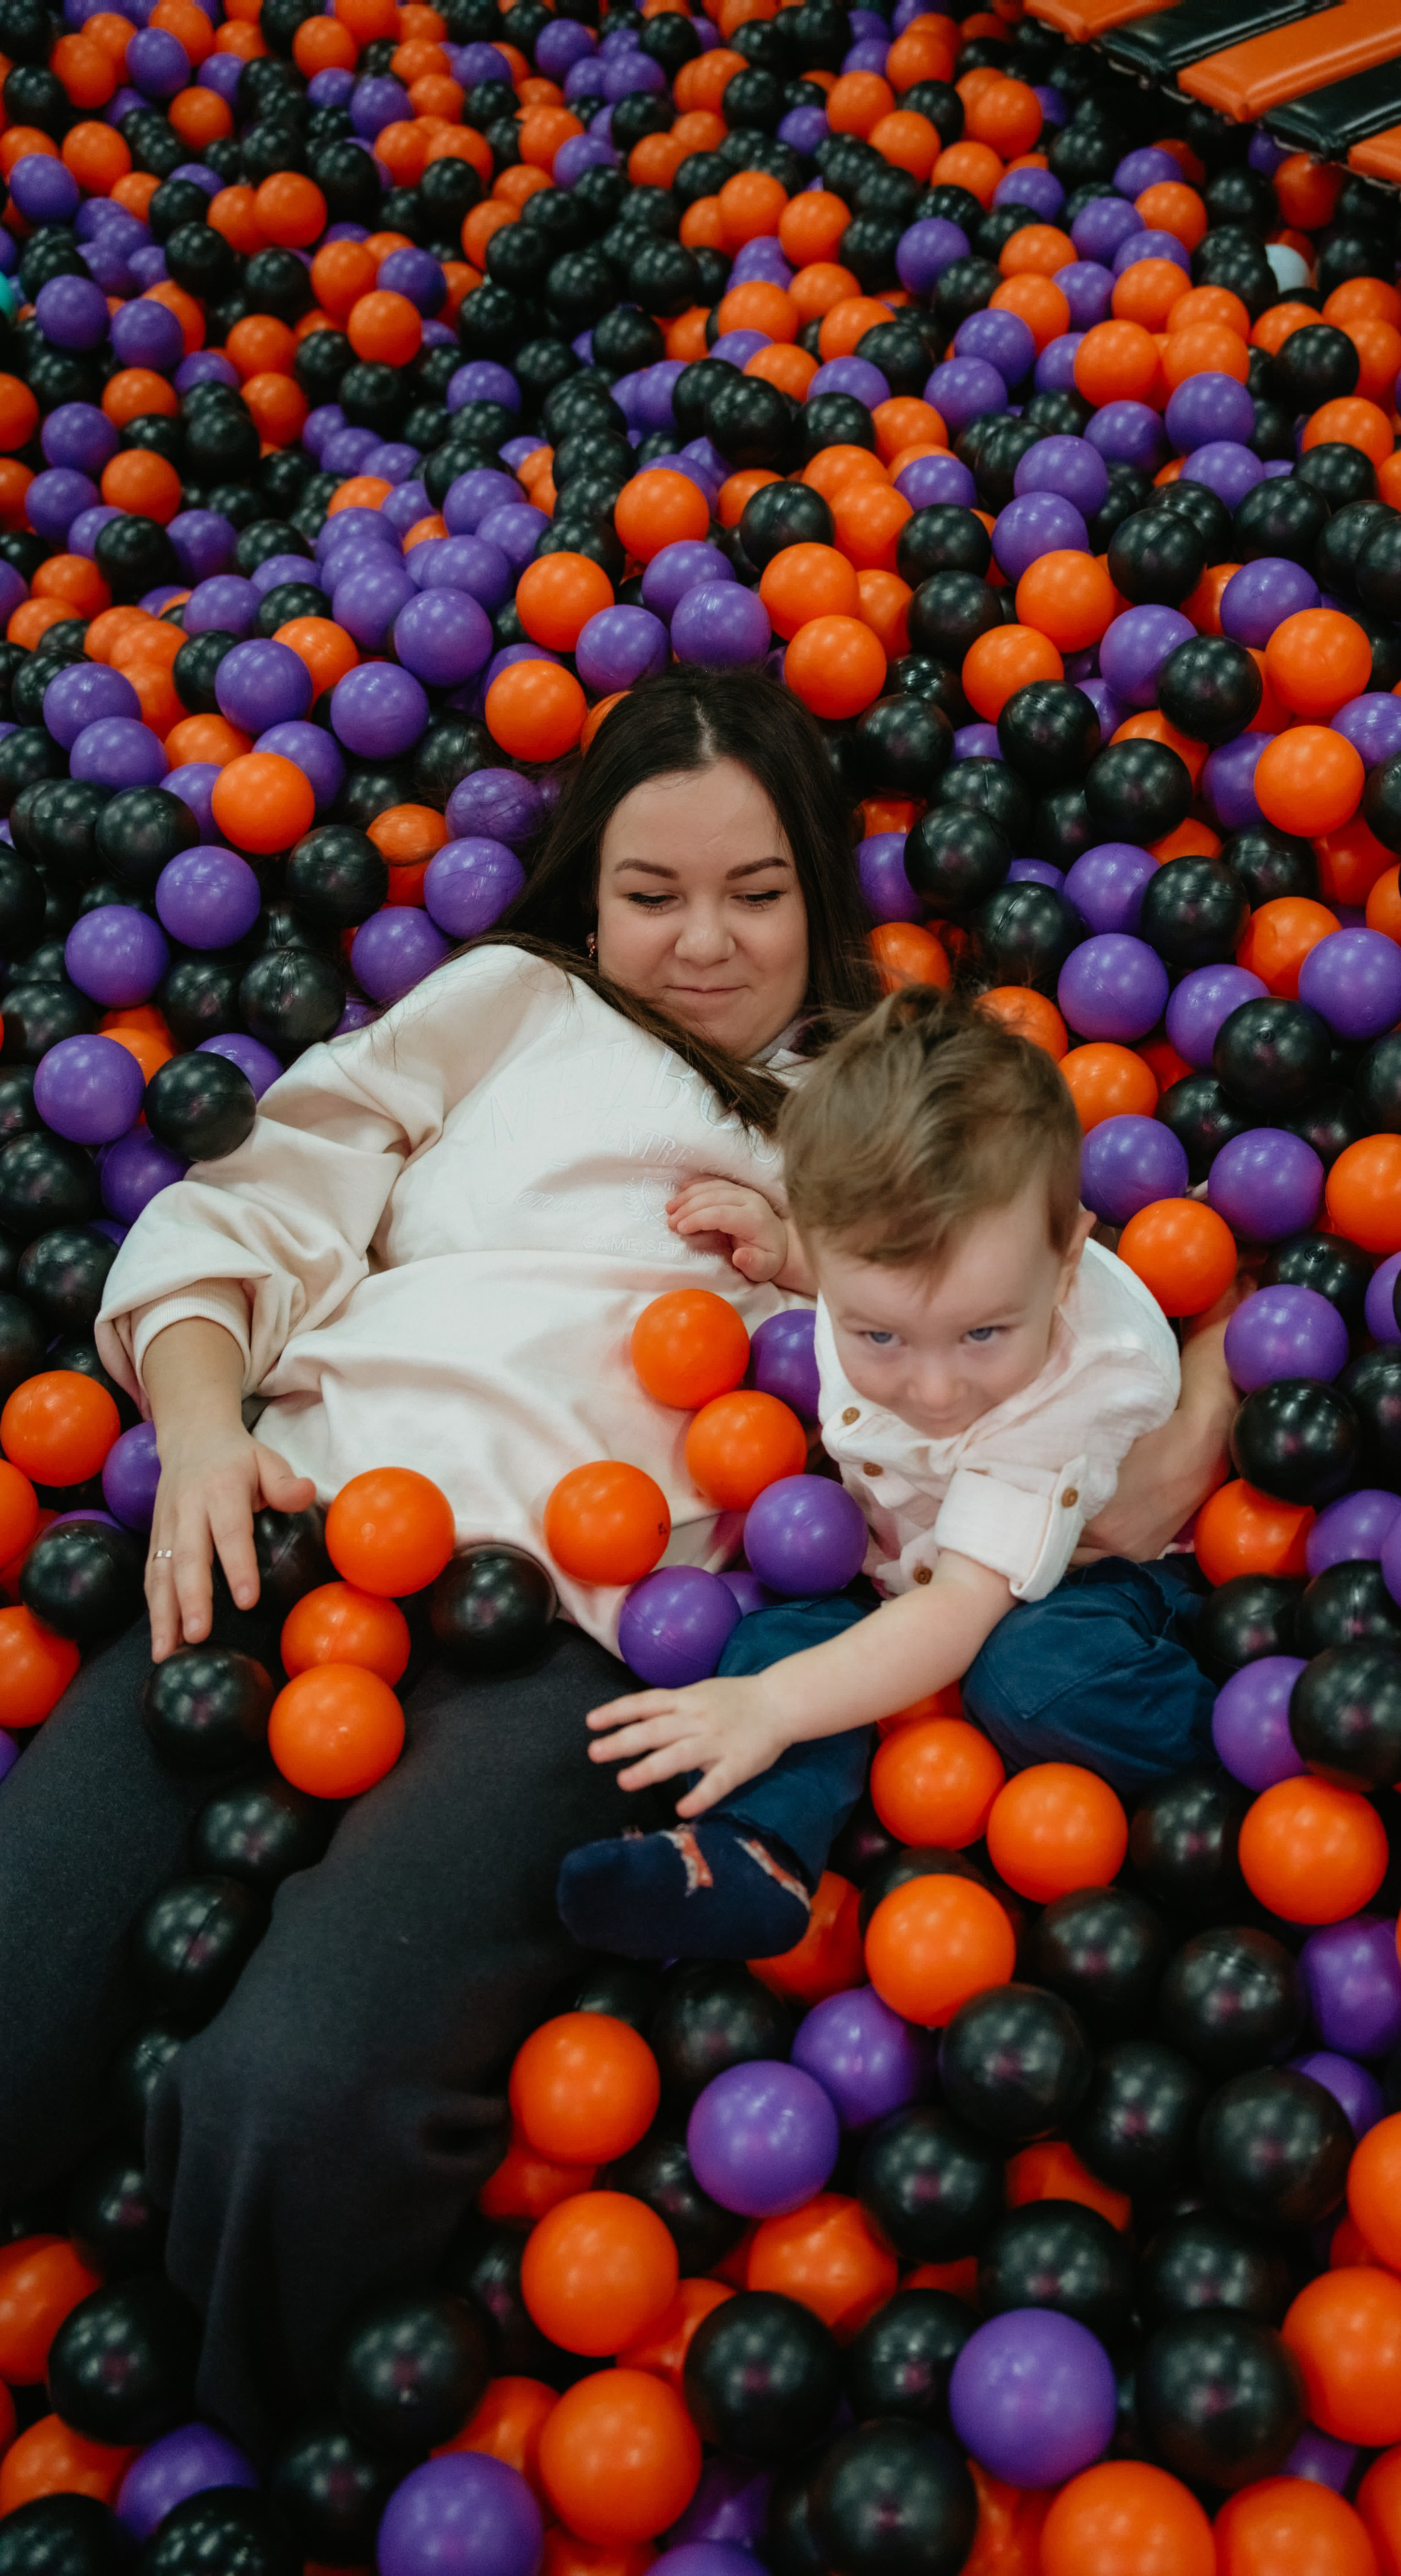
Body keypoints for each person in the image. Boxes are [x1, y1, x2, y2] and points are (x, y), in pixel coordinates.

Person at [0, 669, 882, 2455]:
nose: (704, 942)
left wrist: (823, 1260)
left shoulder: (878, 1102)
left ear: (820, 891)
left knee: (294, 2099)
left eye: (757, 891)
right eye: (652, 892)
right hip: (297, 1526)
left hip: (582, 1630)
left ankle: (245, 2464)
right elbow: (255, 1196)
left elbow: (1053, 1313)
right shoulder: (508, 1003)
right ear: (585, 893)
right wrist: (200, 1427)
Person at [559, 987, 1225, 1962]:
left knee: (1032, 1677)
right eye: (878, 1333)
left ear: (1069, 1260)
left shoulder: (1073, 1386)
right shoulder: (902, 1270)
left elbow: (960, 1612)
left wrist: (774, 1706)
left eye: (985, 1332)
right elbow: (868, 1281)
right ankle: (752, 1857)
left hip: (1085, 1579)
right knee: (785, 1617)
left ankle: (1234, 1763)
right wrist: (787, 1254)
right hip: (896, 1557)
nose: (935, 1385)